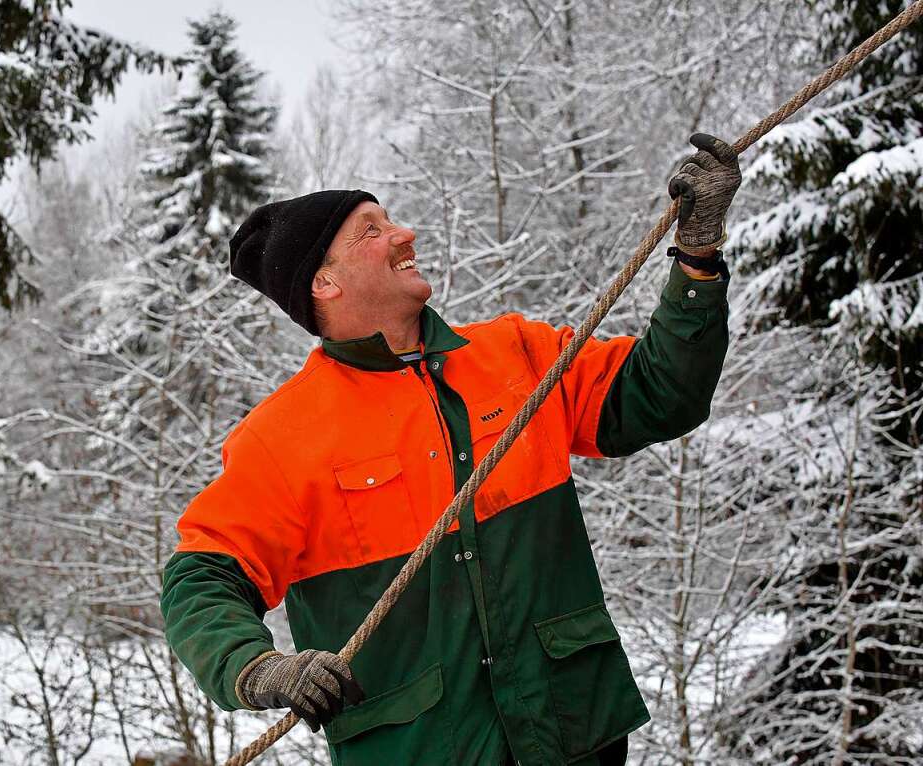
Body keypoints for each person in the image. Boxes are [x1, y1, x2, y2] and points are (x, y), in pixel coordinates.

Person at [160, 133, 741, 766]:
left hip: (575, 739)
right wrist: (257, 668)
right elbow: (201, 578)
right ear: (325, 282)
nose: (404, 233)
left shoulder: (518, 355)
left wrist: (697, 258)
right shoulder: (281, 438)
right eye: (371, 230)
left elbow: (660, 394)